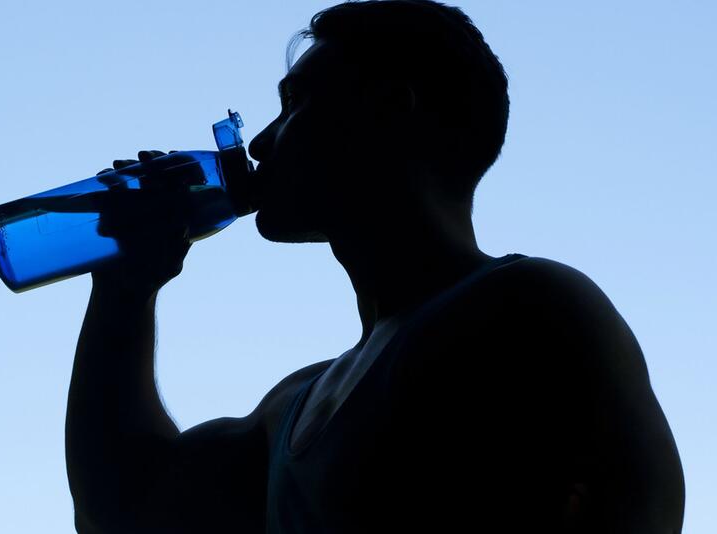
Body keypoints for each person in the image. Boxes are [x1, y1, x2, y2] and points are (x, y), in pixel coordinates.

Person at [64, 1, 685, 532]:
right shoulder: (295, 407)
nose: (258, 145)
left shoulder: (532, 307)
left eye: (295, 102)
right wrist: (126, 289)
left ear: (388, 108)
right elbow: (126, 510)